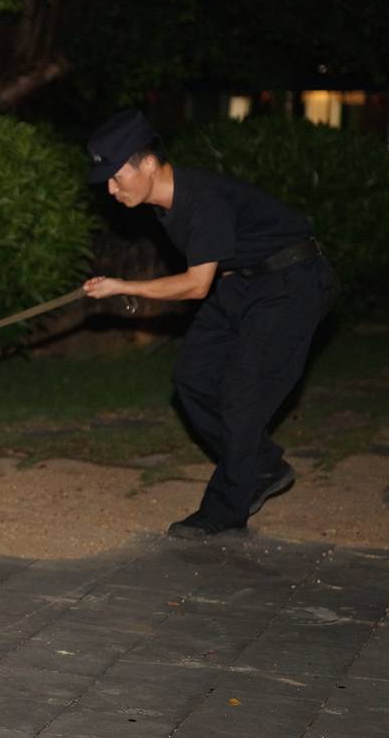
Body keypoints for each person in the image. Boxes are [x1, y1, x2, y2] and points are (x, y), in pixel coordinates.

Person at [82, 109, 336, 539]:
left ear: (147, 163)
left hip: (292, 285)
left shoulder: (203, 199)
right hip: (243, 283)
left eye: (115, 176)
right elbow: (218, 264)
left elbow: (196, 285)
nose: (110, 188)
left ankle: (225, 507)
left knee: (242, 397)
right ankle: (260, 463)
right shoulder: (168, 207)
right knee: (192, 378)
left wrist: (122, 286)